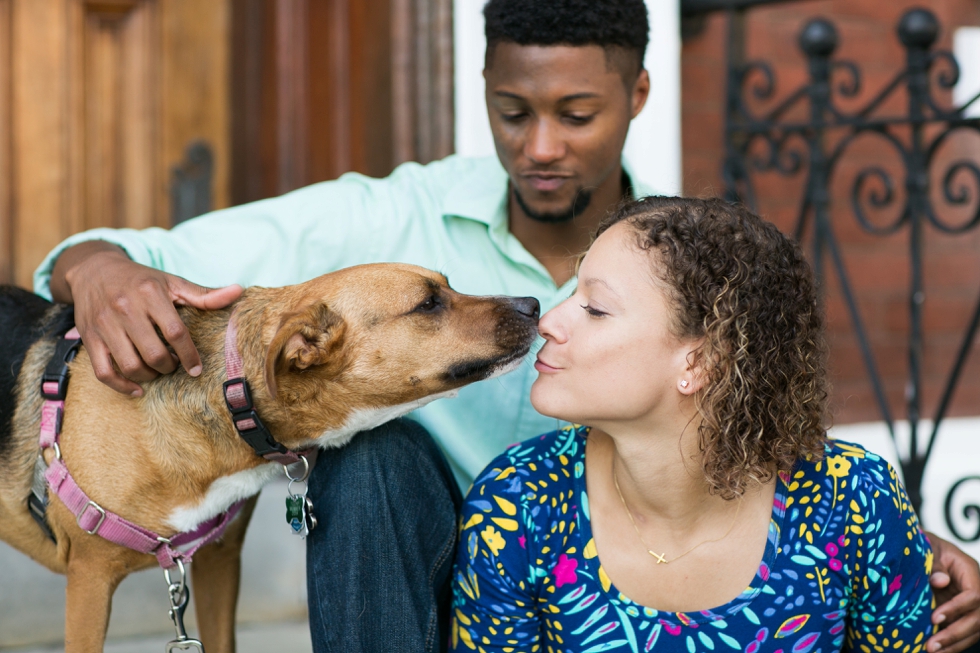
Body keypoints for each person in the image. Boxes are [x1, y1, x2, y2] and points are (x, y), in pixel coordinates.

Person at [31, 1, 979, 652]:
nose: (540, 147)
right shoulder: (391, 222)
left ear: (637, 96)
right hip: (448, 563)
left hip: (626, 573)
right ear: (482, 85)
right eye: (511, 111)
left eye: (576, 113)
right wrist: (102, 271)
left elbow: (742, 407)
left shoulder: (684, 257)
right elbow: (107, 247)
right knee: (370, 461)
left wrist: (894, 542)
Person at [452, 196, 935, 651]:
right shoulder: (517, 502)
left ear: (700, 361)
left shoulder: (853, 499)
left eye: (595, 309)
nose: (548, 321)